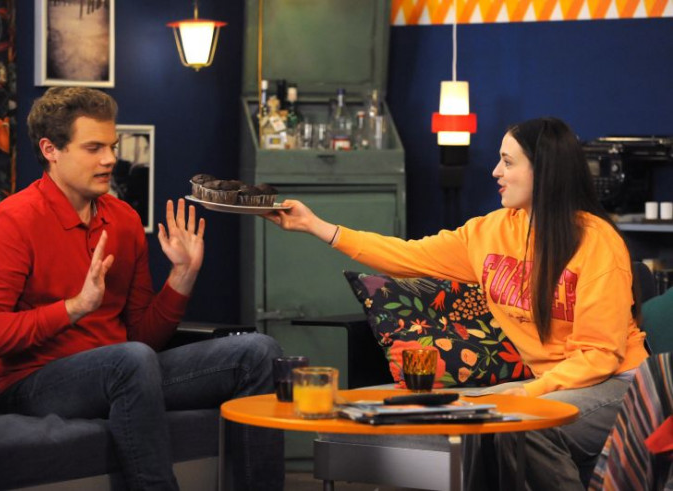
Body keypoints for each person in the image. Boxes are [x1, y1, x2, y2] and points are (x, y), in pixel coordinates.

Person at [264, 117, 649, 490]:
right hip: (550, 384)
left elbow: (600, 353)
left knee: (522, 427)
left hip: (617, 382)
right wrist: (317, 226)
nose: (496, 171)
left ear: (544, 171)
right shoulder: (490, 232)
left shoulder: (596, 242)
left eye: (508, 162)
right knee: (471, 427)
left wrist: (531, 391)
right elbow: (406, 256)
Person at [0, 87, 284, 491]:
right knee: (129, 360)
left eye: (111, 146)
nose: (110, 159)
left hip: (124, 372)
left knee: (259, 351)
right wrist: (73, 308)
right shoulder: (12, 221)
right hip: (31, 384)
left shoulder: (124, 220)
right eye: (93, 148)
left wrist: (182, 276)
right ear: (50, 149)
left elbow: (142, 338)